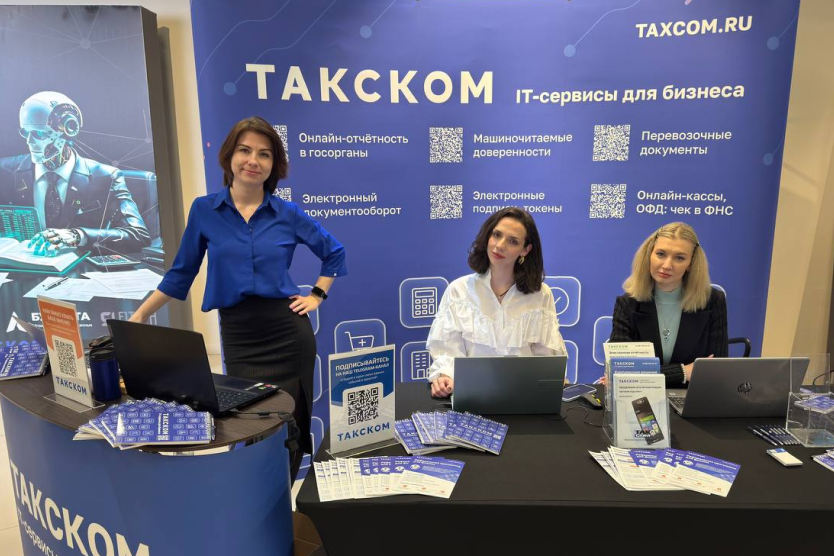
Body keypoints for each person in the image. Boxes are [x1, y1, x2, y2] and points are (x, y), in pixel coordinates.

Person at [129, 116, 347, 480]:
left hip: (287, 334)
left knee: (289, 427)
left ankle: (282, 499)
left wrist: (317, 294)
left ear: (274, 165)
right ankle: (254, 498)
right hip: (240, 336)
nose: (253, 160)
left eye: (264, 154)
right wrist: (139, 317)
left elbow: (334, 252)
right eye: (245, 150)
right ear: (229, 156)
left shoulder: (287, 213)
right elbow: (181, 273)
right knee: (248, 425)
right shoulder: (205, 210)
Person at [427, 207, 567, 398]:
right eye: (496, 235)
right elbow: (448, 350)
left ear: (525, 250)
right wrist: (446, 376)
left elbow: (545, 357)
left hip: (524, 396)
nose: (500, 245)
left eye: (513, 241)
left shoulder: (541, 294)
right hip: (470, 396)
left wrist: (550, 379)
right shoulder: (458, 289)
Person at [0, 91, 150, 255]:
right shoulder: (4, 172)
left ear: (68, 130)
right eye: (25, 132)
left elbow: (138, 235)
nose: (29, 142)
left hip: (79, 266)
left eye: (39, 133)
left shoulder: (106, 177)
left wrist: (78, 236)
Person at [609, 222, 728, 387]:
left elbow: (716, 369)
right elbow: (621, 372)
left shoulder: (713, 301)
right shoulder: (627, 303)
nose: (667, 265)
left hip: (693, 396)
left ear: (691, 264)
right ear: (649, 255)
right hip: (641, 397)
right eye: (661, 254)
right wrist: (683, 372)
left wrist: (648, 373)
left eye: (679, 258)